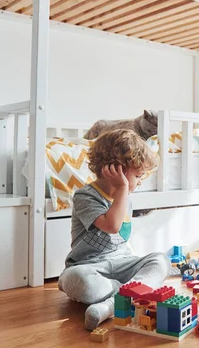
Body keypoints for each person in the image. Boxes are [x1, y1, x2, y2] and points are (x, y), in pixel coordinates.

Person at [58, 129, 170, 330]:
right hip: (90, 266)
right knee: (78, 280)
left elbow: (123, 240)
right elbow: (112, 226)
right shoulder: (86, 196)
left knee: (161, 260)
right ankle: (133, 292)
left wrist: (123, 191)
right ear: (117, 170)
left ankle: (111, 304)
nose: (141, 181)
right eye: (138, 175)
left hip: (123, 265)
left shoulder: (125, 197)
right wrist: (123, 190)